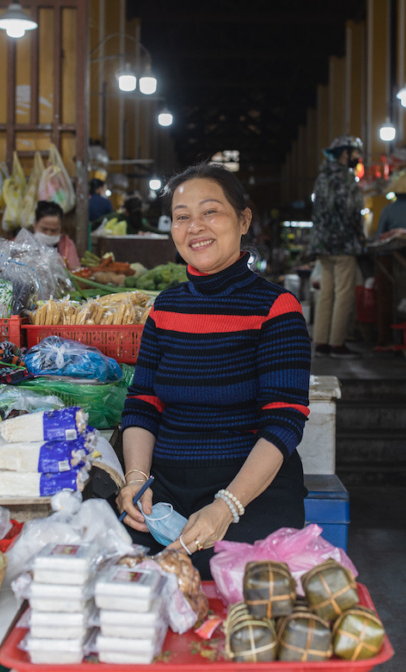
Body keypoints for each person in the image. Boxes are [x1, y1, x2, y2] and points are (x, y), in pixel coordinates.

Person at [117, 163, 311, 580]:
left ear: (243, 220)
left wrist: (227, 507)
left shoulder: (276, 308)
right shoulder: (165, 308)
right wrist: (135, 481)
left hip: (251, 492)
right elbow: (143, 403)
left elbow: (284, 421)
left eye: (211, 212)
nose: (195, 227)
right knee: (140, 598)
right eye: (182, 216)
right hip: (165, 493)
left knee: (240, 604)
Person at [310, 134, 365, 359]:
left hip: (323, 244)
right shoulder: (346, 178)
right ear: (345, 153)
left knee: (326, 293)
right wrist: (360, 235)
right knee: (344, 293)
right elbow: (352, 211)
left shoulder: (321, 178)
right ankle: (337, 343)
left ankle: (321, 341)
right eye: (354, 153)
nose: (356, 157)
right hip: (343, 244)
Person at [32, 200, 80, 269]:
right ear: (35, 224)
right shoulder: (21, 243)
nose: (49, 233)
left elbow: (75, 270)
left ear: (61, 228)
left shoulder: (67, 245)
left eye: (54, 230)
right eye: (44, 229)